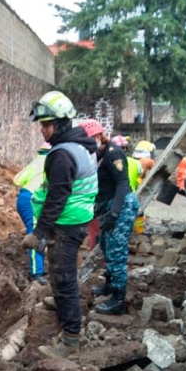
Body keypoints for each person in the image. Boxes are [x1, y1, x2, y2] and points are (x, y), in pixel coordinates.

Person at [21, 91, 98, 357]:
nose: (43, 130)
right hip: (76, 220)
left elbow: (56, 197)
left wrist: (39, 232)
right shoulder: (82, 145)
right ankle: (62, 302)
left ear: (62, 123)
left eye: (47, 124)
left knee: (64, 278)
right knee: (59, 271)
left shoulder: (62, 154)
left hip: (66, 224)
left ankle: (70, 340)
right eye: (42, 124)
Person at [79, 119, 139, 315]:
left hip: (121, 207)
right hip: (109, 207)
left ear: (97, 137)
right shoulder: (98, 155)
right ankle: (109, 286)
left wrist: (114, 213)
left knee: (116, 253)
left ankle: (118, 300)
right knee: (106, 246)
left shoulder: (114, 154)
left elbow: (122, 184)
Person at [12, 142, 52, 285]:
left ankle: (39, 267)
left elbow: (17, 180)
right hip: (32, 200)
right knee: (36, 233)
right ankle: (36, 272)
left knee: (39, 232)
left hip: (25, 197)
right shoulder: (50, 163)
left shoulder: (35, 163)